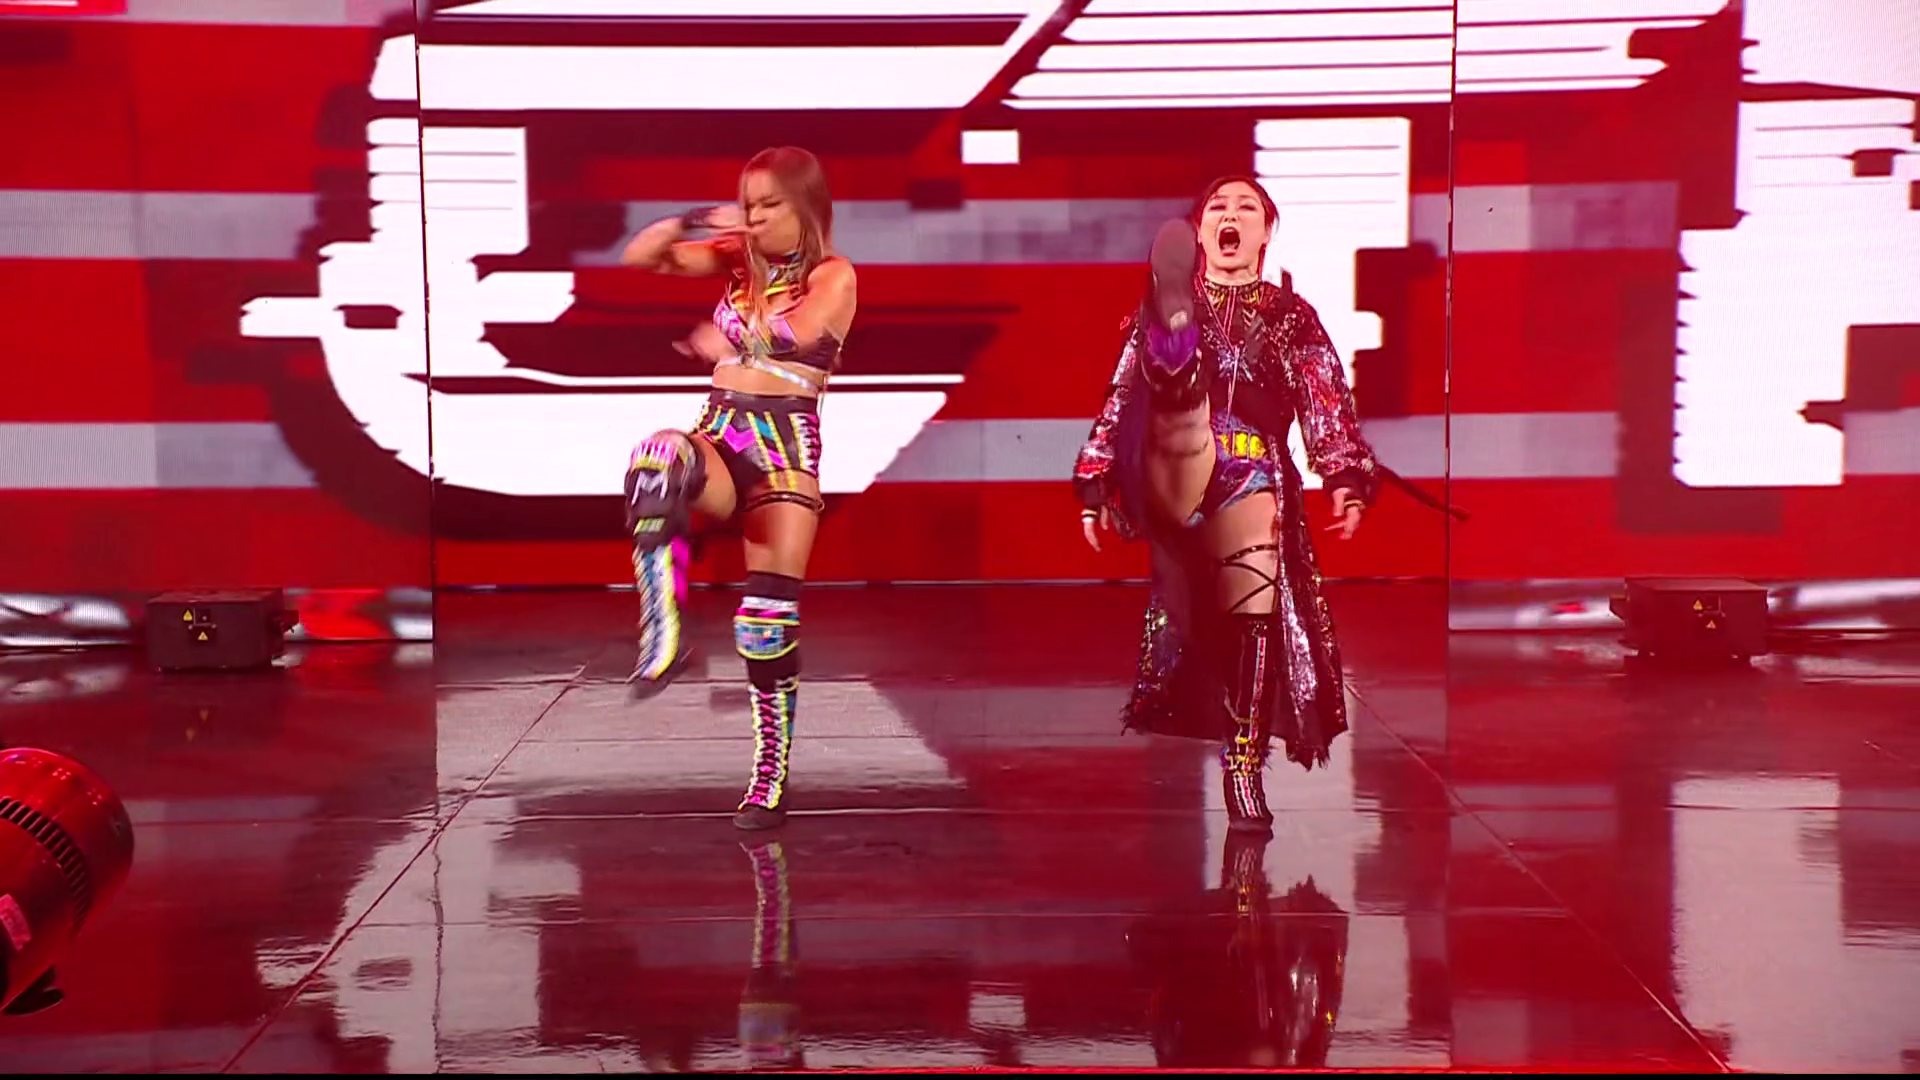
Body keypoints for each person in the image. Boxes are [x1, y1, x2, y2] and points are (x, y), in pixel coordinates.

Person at [1074, 176, 1378, 833]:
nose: (1231, 214)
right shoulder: (1162, 309)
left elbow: (1325, 397)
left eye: (1247, 207)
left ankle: (1243, 761)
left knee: (1252, 613)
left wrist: (1345, 474)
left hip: (1253, 477)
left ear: (1266, 232)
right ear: (1200, 231)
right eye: (1218, 206)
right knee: (1199, 620)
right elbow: (1122, 395)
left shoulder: (1291, 317)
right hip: (1182, 474)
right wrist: (1096, 479)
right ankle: (1177, 365)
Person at [619, 146, 856, 832]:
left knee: (765, 623)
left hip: (784, 452)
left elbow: (794, 336)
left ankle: (769, 772)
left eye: (770, 205)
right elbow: (643, 256)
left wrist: (733, 337)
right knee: (656, 457)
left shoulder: (834, 275)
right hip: (722, 431)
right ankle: (665, 633)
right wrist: (700, 218)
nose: (756, 218)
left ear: (805, 206)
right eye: (749, 204)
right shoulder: (738, 258)